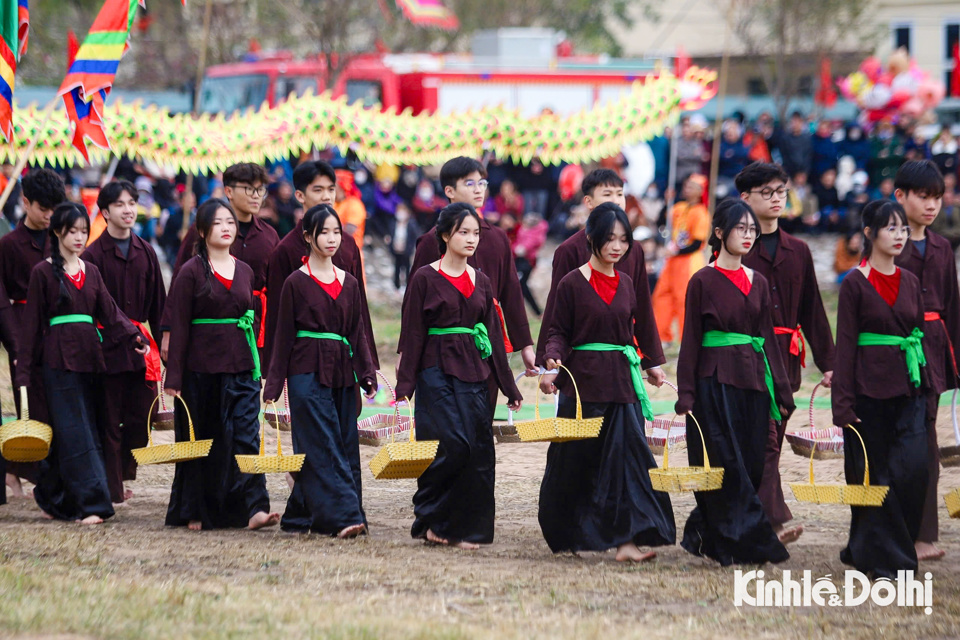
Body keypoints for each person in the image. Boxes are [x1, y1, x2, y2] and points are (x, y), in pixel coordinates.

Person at [538, 203, 675, 561]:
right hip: (582, 386)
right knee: (575, 461)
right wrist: (552, 363)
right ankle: (569, 533)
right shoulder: (571, 283)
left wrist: (652, 364)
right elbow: (557, 331)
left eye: (623, 240)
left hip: (622, 383)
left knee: (630, 461)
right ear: (591, 239)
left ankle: (627, 543)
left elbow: (643, 326)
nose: (617, 246)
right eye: (609, 238)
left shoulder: (629, 282)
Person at [396, 203, 522, 549]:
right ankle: (432, 518)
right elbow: (413, 332)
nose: (471, 239)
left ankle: (468, 528)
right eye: (464, 232)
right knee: (451, 445)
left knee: (478, 451)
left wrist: (508, 385)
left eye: (476, 233)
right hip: (435, 370)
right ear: (446, 235)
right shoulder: (425, 277)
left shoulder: (481, 281)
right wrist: (405, 384)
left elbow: (494, 337)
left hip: (475, 372)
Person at [675, 199, 794, 566]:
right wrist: (687, 394)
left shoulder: (758, 282)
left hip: (754, 383)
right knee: (727, 464)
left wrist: (783, 389)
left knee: (753, 463)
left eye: (752, 230)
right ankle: (746, 542)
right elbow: (691, 341)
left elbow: (767, 339)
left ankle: (707, 532)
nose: (748, 236)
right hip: (715, 383)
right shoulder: (702, 281)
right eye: (740, 229)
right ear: (720, 233)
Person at [16, 203, 149, 524]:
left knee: (85, 428)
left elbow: (111, 312)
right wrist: (23, 372)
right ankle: (93, 504)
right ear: (57, 233)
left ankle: (55, 498)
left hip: (91, 359)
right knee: (75, 432)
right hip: (57, 362)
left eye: (83, 231)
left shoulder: (91, 271)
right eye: (72, 231)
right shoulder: (42, 272)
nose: (79, 237)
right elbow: (31, 325)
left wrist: (134, 336)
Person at [163, 198, 279, 532]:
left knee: (246, 433)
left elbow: (252, 315)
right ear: (202, 231)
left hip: (241, 365)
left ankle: (255, 506)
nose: (227, 228)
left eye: (231, 222)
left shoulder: (245, 270)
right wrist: (176, 377)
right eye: (218, 223)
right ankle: (196, 509)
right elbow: (180, 325)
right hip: (201, 368)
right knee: (204, 438)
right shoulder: (190, 272)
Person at [264, 204, 377, 537]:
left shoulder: (351, 283)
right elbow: (282, 334)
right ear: (308, 237)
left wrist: (366, 371)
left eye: (336, 232)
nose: (331, 239)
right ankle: (343, 517)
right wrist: (272, 385)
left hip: (342, 371)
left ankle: (301, 516)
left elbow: (357, 332)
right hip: (305, 370)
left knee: (343, 441)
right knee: (320, 442)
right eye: (324, 232)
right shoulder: (295, 283)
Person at [738, 162, 836, 545]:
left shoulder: (799, 250)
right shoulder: (735, 246)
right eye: (767, 192)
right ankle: (773, 520)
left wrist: (828, 364)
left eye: (781, 191)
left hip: (788, 358)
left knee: (770, 440)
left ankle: (726, 519)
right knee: (764, 436)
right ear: (745, 198)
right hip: (748, 358)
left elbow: (813, 307)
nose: (777, 198)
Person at [833, 200, 929, 578]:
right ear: (869, 234)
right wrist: (842, 403)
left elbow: (917, 335)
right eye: (891, 228)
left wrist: (926, 385)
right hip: (867, 392)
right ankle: (881, 557)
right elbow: (846, 344)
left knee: (911, 470)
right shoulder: (854, 283)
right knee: (872, 475)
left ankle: (885, 547)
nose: (900, 235)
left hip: (909, 391)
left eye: (903, 228)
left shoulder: (912, 281)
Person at [406, 156, 538, 384]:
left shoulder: (498, 238)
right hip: (442, 350)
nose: (479, 190)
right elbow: (413, 303)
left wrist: (525, 346)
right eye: (470, 184)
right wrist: (406, 354)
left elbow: (511, 294)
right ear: (449, 191)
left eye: (482, 184)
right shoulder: (431, 241)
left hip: (488, 344)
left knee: (483, 415)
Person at [537, 168, 665, 385]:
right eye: (607, 194)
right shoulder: (570, 250)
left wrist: (652, 360)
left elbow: (643, 305)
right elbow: (556, 309)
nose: (615, 200)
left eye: (619, 194)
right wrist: (550, 357)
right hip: (579, 354)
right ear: (588, 202)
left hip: (622, 353)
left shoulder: (634, 250)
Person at [81, 180, 166, 504]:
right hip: (106, 346)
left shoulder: (147, 252)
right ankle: (112, 487)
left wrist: (167, 349)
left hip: (140, 347)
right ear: (105, 212)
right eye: (120, 204)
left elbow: (159, 307)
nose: (128, 209)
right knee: (109, 417)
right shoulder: (92, 255)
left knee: (141, 418)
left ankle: (122, 473)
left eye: (132, 202)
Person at [892, 160, 958, 562]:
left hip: (933, 353)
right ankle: (890, 531)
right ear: (900, 196)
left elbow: (952, 307)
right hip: (892, 351)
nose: (931, 205)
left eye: (937, 197)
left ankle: (925, 534)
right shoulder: (886, 244)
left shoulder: (943, 248)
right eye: (923, 196)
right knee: (896, 441)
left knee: (927, 442)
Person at [263, 160, 377, 375]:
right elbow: (277, 313)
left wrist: (367, 360)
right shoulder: (285, 250)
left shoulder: (348, 243)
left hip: (346, 355)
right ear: (299, 196)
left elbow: (359, 306)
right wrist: (276, 369)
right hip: (304, 359)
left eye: (331, 189)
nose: (327, 196)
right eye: (318, 189)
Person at [167, 163, 279, 363]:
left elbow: (277, 289)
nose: (256, 195)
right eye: (249, 189)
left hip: (253, 328)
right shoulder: (203, 229)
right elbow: (178, 279)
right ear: (228, 191)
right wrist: (168, 331)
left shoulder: (270, 236)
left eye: (260, 190)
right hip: (209, 325)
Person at [0, 168, 67, 498]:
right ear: (25, 202)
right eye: (44, 209)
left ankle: (49, 473)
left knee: (60, 403)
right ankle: (17, 469)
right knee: (30, 405)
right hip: (23, 330)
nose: (50, 217)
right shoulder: (8, 245)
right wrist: (15, 344)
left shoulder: (63, 241)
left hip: (59, 331)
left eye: (56, 210)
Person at [651, 173, 710, 345]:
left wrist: (675, 253)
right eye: (686, 185)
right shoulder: (679, 207)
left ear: (700, 192)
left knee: (685, 300)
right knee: (662, 295)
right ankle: (662, 336)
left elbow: (697, 242)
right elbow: (661, 221)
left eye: (691, 187)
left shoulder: (701, 213)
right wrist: (666, 201)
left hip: (689, 261)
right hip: (672, 261)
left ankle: (688, 341)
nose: (686, 189)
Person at [512, 212, 548, 316]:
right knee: (521, 286)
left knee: (521, 284)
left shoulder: (537, 232)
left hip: (527, 262)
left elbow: (532, 243)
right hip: (519, 260)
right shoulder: (522, 229)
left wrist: (522, 248)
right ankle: (536, 311)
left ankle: (536, 311)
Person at [385, 203, 420, 291]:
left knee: (407, 267)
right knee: (397, 267)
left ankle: (408, 285)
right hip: (396, 249)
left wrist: (411, 248)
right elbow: (390, 235)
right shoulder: (393, 223)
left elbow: (414, 236)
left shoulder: (411, 224)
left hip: (406, 250)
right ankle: (396, 285)